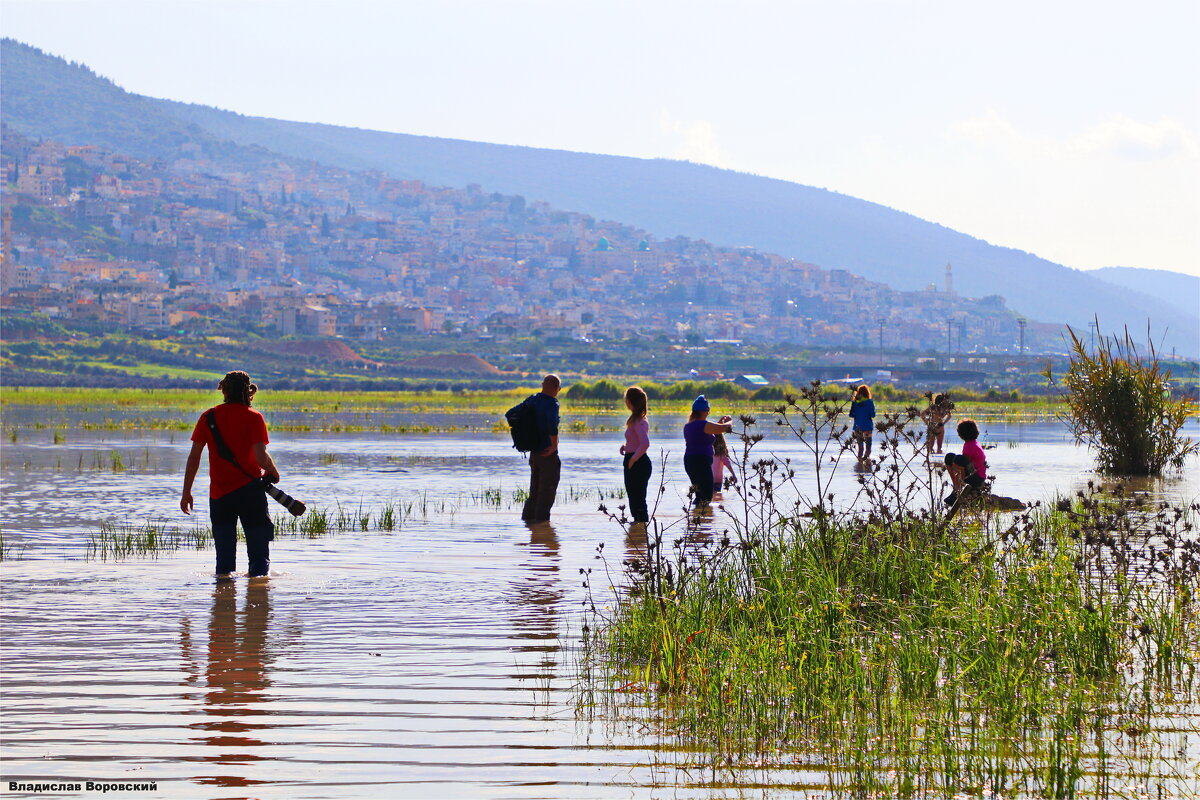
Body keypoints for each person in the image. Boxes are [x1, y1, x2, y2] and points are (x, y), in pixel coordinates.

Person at [181, 371, 281, 578]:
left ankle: (223, 604)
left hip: (220, 496)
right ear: (248, 391)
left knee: (224, 562)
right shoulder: (254, 417)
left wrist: (186, 492)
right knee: (259, 559)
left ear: (224, 390)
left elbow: (194, 458)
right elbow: (261, 457)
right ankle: (258, 600)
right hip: (251, 494)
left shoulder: (208, 417)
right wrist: (273, 471)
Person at [521, 374, 561, 523]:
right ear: (557, 388)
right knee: (547, 492)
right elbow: (552, 425)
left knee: (535, 491)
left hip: (534, 453)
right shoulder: (552, 404)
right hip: (547, 454)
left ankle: (528, 522)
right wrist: (554, 445)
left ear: (542, 385)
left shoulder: (532, 399)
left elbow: (513, 414)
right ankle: (541, 526)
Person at [682, 395, 733, 507]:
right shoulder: (702, 425)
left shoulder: (689, 425)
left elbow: (712, 430)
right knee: (706, 494)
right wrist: (729, 421)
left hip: (689, 461)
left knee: (699, 492)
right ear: (705, 411)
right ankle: (703, 519)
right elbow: (724, 428)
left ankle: (695, 516)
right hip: (701, 461)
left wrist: (719, 424)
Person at [619, 385, 651, 528]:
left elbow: (645, 444)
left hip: (638, 462)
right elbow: (637, 442)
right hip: (635, 459)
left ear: (630, 402)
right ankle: (637, 530)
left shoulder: (639, 421)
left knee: (637, 499)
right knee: (634, 497)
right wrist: (626, 447)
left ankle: (640, 528)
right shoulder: (635, 420)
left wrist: (633, 459)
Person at [944, 418, 987, 507]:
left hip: (977, 479)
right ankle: (956, 487)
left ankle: (958, 490)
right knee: (949, 457)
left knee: (959, 459)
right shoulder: (971, 443)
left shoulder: (970, 446)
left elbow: (963, 463)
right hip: (973, 475)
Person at [849, 384, 876, 461]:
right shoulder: (870, 402)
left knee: (860, 447)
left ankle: (859, 464)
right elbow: (873, 415)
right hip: (867, 426)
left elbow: (851, 414)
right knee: (868, 447)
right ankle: (867, 465)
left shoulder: (854, 403)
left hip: (858, 427)